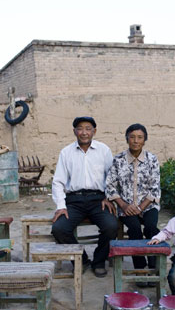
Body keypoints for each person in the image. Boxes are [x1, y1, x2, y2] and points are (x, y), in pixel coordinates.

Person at [51, 116, 119, 277]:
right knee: (59, 229)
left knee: (111, 226)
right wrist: (61, 206)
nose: (84, 132)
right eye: (80, 128)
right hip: (74, 201)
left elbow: (112, 176)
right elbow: (58, 181)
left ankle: (99, 261)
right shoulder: (66, 152)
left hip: (99, 200)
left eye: (88, 128)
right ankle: (81, 260)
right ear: (74, 131)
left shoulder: (104, 150)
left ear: (94, 131)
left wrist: (108, 197)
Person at [105, 123, 161, 272]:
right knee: (134, 229)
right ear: (127, 139)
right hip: (126, 207)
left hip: (148, 206)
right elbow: (110, 185)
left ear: (145, 140)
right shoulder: (118, 160)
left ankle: (154, 267)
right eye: (132, 137)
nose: (136, 141)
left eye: (140, 137)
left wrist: (141, 207)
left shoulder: (152, 159)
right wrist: (123, 205)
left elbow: (155, 187)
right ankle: (140, 268)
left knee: (151, 228)